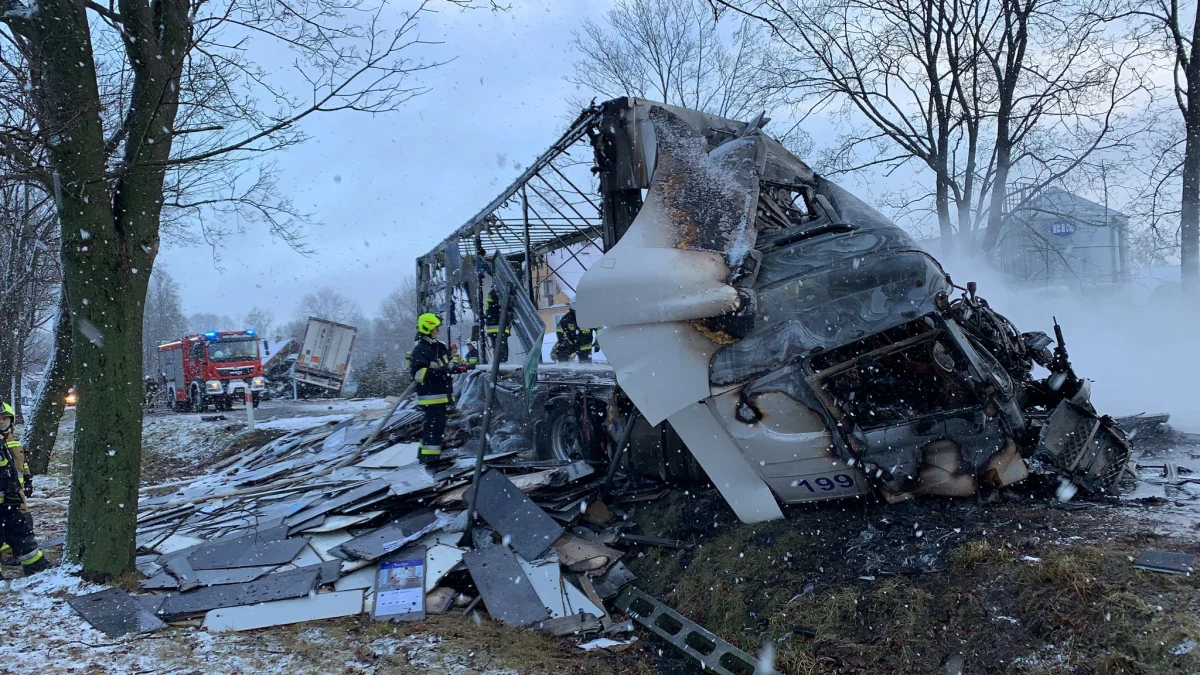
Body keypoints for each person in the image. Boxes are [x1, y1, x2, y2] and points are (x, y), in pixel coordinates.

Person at [0, 403, 49, 575]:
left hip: (13, 497)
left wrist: (27, 480)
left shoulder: (11, 443)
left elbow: (19, 466)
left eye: (5, 419)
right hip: (5, 498)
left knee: (21, 528)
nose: (1, 422)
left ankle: (34, 564)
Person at [410, 314, 462, 465]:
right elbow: (418, 375)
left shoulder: (439, 347)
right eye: (435, 328)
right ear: (427, 329)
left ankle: (429, 456)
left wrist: (456, 366)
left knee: (437, 428)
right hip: (431, 396)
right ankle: (429, 459)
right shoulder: (421, 350)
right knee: (432, 429)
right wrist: (442, 370)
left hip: (442, 394)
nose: (437, 331)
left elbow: (449, 363)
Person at [483, 288, 510, 363]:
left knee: (498, 348)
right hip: (498, 326)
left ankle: (499, 364)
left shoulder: (493, 292)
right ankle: (502, 364)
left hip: (493, 326)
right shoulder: (498, 292)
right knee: (502, 348)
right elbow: (503, 307)